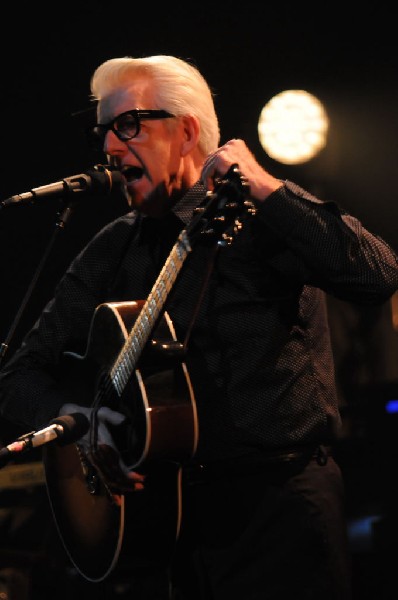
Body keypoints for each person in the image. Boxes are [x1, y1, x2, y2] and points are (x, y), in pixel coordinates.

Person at [0, 54, 397, 600]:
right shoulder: (115, 246)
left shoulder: (263, 213)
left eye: (129, 125)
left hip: (281, 511)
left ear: (187, 130)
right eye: (104, 133)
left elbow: (378, 276)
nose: (111, 147)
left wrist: (266, 187)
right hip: (172, 519)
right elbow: (18, 374)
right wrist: (80, 425)